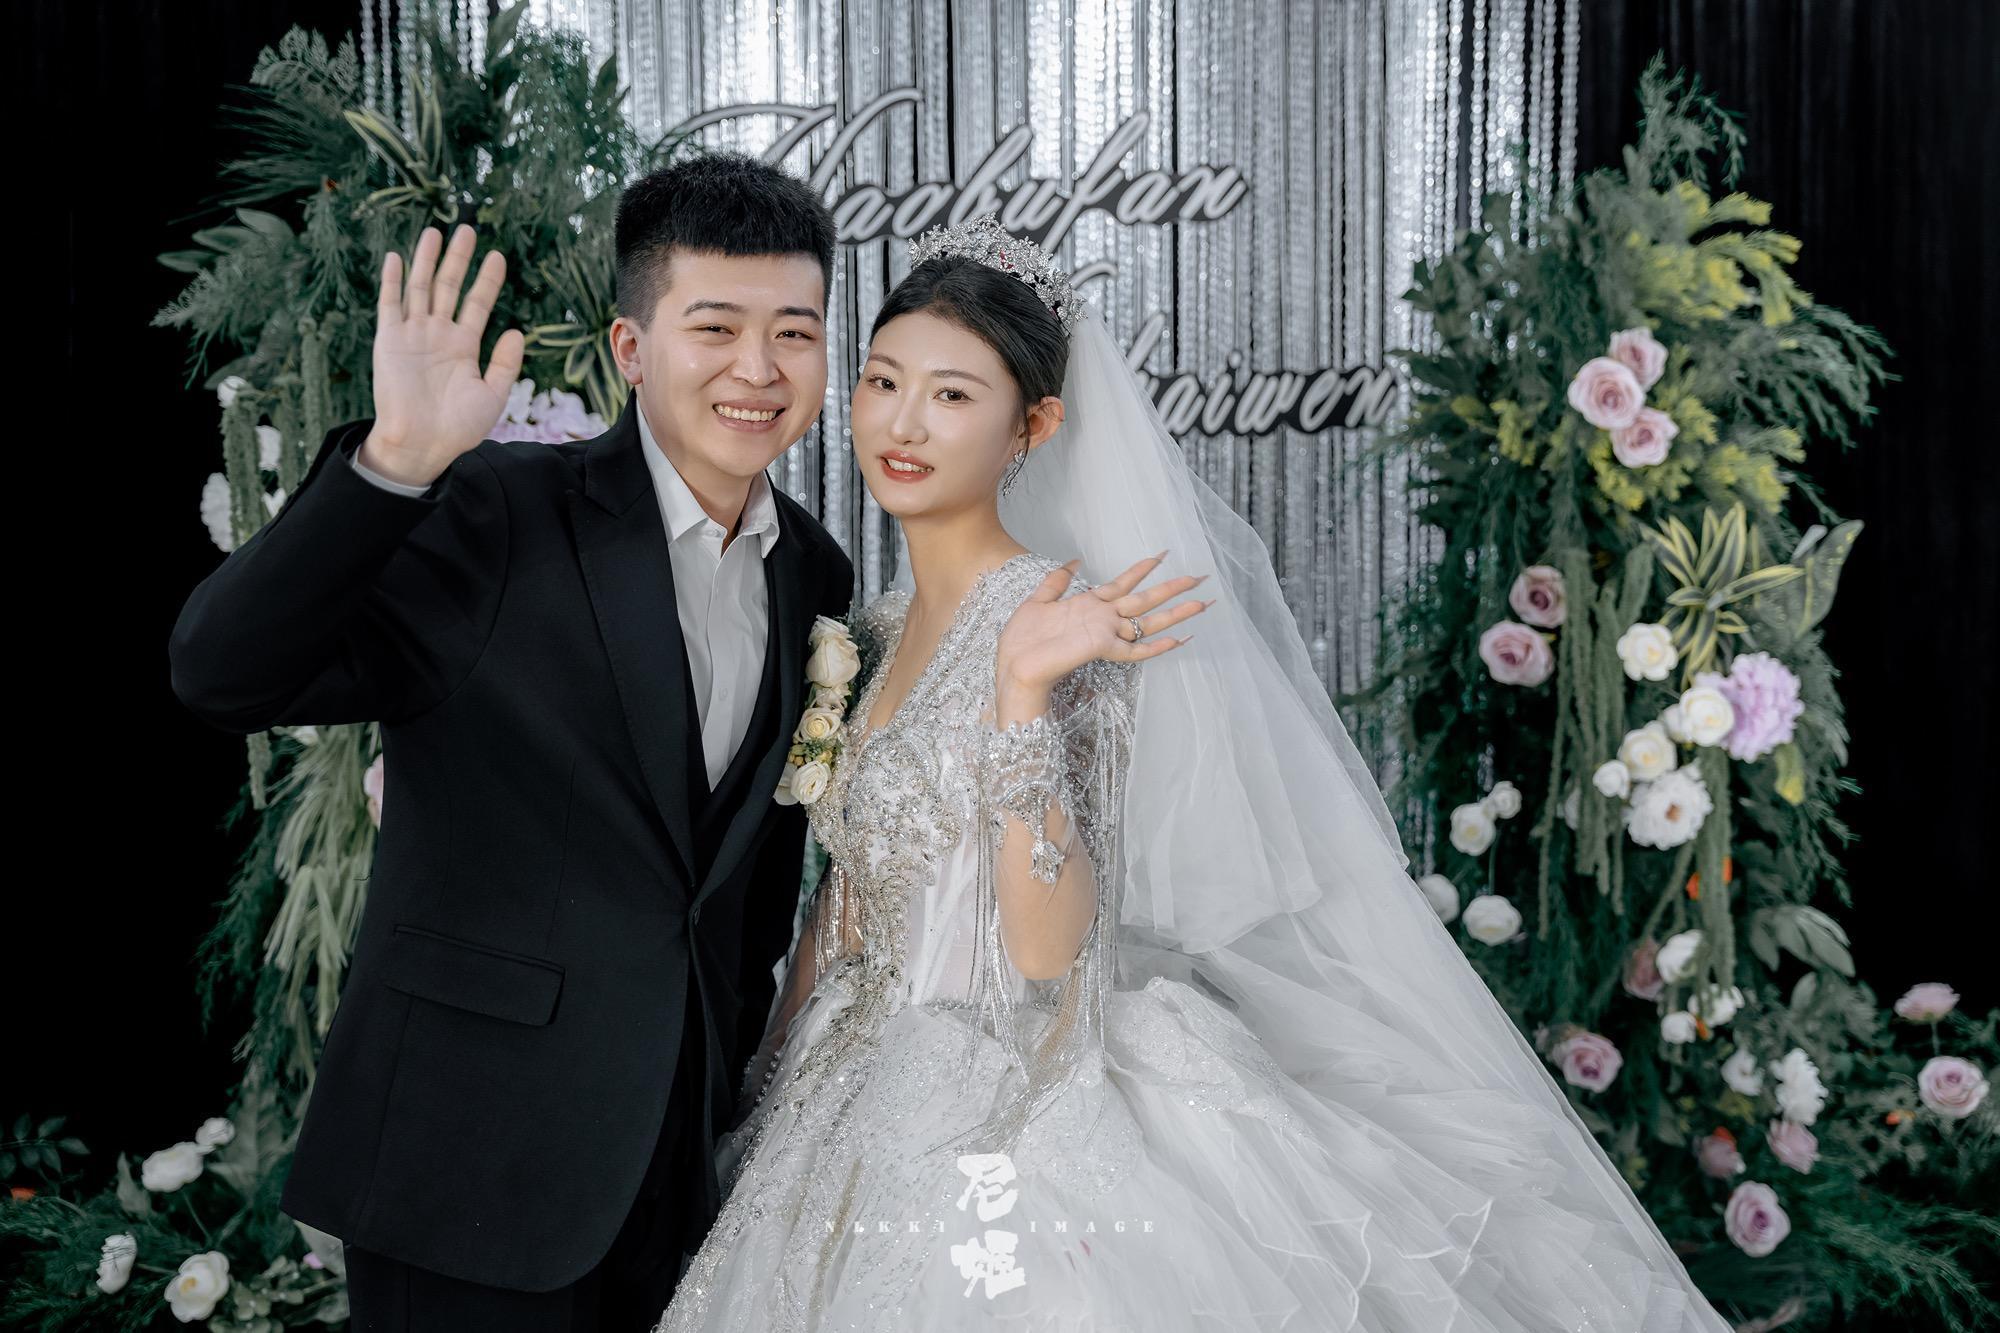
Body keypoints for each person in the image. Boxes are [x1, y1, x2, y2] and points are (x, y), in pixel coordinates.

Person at [654, 216, 1737, 1331]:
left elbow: (1046, 954)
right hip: (841, 1086)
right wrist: (760, 1083)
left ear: (1034, 425)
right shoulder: (871, 630)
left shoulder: (1063, 626)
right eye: (884, 381)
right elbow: (849, 897)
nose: (903, 423)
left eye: (953, 394)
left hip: (1000, 1085)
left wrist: (1018, 696)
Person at [168, 152, 853, 1331]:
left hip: (678, 1182)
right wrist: (394, 463)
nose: (758, 368)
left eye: (793, 332)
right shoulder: (496, 513)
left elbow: (748, 878)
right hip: (466, 1163)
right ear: (630, 348)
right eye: (715, 327)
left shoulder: (814, 573)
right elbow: (220, 672)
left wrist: (735, 1111)